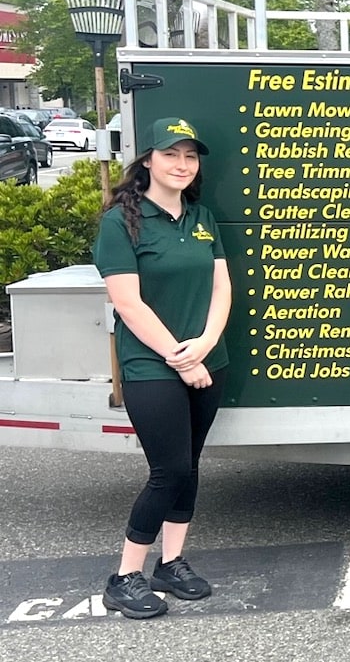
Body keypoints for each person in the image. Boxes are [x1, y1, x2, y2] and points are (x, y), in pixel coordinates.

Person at [92, 117, 231, 620]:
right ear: (147, 160)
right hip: (152, 366)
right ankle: (124, 576)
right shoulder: (120, 222)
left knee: (189, 467)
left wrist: (208, 344)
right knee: (168, 470)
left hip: (207, 360)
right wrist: (182, 357)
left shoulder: (202, 217)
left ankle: (170, 565)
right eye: (171, 154)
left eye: (190, 156)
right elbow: (128, 304)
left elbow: (222, 287)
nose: (181, 164)